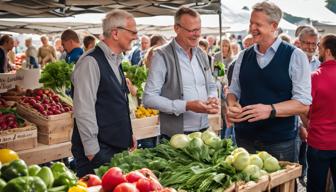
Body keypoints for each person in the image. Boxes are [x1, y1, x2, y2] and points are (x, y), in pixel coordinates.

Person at [227, 1, 311, 162]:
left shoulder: (295, 55)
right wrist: (231, 105)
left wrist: (270, 109)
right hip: (245, 140)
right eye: (251, 23)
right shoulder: (243, 56)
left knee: (281, 187)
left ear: (274, 26)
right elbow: (233, 90)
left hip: (280, 142)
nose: (252, 28)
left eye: (257, 24)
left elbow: (303, 103)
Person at [71, 9, 138, 177]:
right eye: (133, 32)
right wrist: (93, 153)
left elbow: (117, 100)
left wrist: (129, 134)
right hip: (98, 152)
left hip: (114, 147)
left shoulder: (115, 60)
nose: (136, 37)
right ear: (115, 33)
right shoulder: (90, 62)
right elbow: (84, 109)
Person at [143, 7, 219, 138]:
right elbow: (149, 98)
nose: (197, 34)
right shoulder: (162, 55)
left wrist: (212, 97)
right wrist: (186, 106)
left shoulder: (201, 53)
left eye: (199, 29)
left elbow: (211, 85)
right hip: (176, 136)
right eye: (192, 30)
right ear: (176, 28)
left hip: (204, 131)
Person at [300, 34, 336, 192]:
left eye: (319, 48)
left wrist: (308, 125)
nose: (317, 52)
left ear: (327, 52)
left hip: (318, 142)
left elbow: (303, 108)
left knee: (315, 187)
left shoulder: (314, 77)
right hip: (324, 140)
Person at [297, 25, 320, 186]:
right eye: (307, 43)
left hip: (314, 121)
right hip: (296, 120)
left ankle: (304, 178)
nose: (310, 47)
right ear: (299, 42)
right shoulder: (294, 61)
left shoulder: (319, 64)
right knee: (294, 160)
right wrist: (301, 125)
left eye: (314, 44)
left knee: (308, 157)